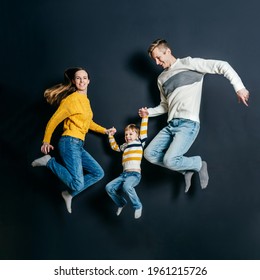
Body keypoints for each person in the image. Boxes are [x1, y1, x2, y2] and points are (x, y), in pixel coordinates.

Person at [139, 39, 249, 193]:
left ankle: (198, 164)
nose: (157, 63)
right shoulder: (161, 79)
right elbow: (165, 105)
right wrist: (148, 112)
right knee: (149, 154)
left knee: (169, 160)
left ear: (168, 51)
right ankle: (186, 169)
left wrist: (239, 88)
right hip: (171, 125)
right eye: (154, 60)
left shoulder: (189, 63)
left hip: (188, 124)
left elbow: (222, 65)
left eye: (159, 58)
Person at [32, 67, 113, 213]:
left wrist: (105, 131)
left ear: (89, 81)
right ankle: (49, 162)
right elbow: (54, 120)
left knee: (98, 173)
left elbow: (88, 123)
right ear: (74, 81)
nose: (81, 81)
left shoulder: (85, 101)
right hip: (69, 142)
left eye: (84, 78)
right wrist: (46, 141)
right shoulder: (71, 100)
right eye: (78, 78)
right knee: (77, 183)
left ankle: (68, 194)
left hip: (78, 145)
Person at [105, 114, 148, 219]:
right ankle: (121, 203)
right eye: (126, 134)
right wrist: (110, 136)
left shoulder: (140, 142)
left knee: (126, 186)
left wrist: (145, 117)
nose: (128, 136)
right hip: (124, 175)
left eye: (130, 134)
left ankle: (138, 206)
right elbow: (115, 147)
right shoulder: (124, 146)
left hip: (135, 174)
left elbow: (143, 131)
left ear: (137, 136)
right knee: (109, 187)